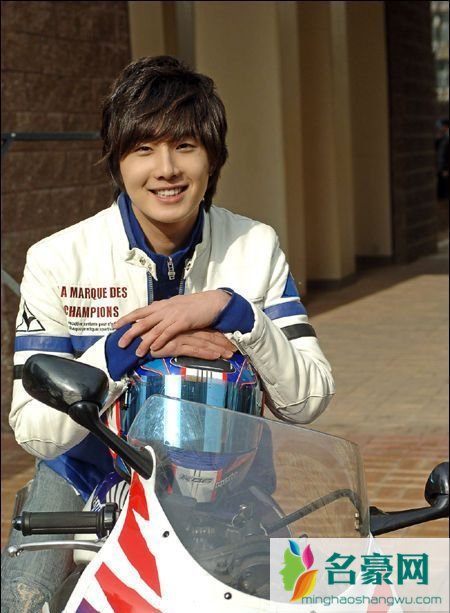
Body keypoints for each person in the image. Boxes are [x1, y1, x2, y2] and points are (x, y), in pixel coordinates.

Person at [1, 55, 335, 612]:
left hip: (228, 481)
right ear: (117, 160)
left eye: (185, 146)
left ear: (212, 156)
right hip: (84, 477)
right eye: (143, 149)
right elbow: (35, 430)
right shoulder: (58, 259)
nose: (166, 170)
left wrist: (236, 314)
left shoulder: (254, 247)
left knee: (296, 595)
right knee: (23, 599)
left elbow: (309, 399)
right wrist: (129, 347)